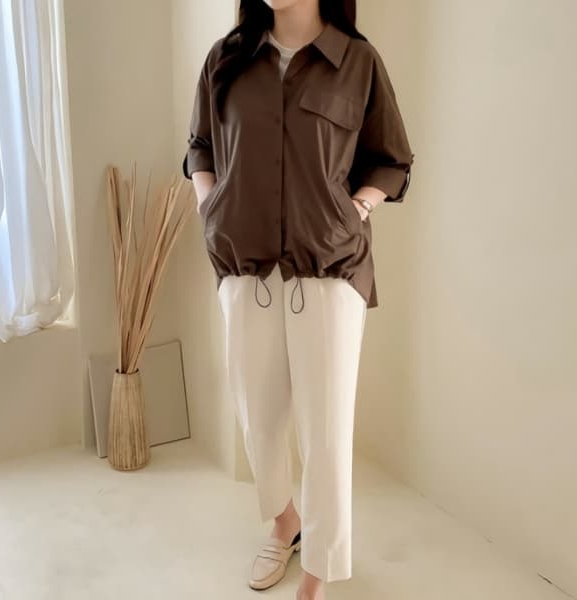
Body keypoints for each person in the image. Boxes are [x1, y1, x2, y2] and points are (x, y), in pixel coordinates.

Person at [182, 1, 414, 598]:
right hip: (245, 265)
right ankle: (285, 521)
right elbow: (201, 145)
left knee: (326, 432)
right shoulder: (227, 58)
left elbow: (392, 161)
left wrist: (356, 207)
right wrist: (210, 204)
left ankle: (317, 572)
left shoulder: (356, 61)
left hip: (329, 267)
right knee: (258, 420)